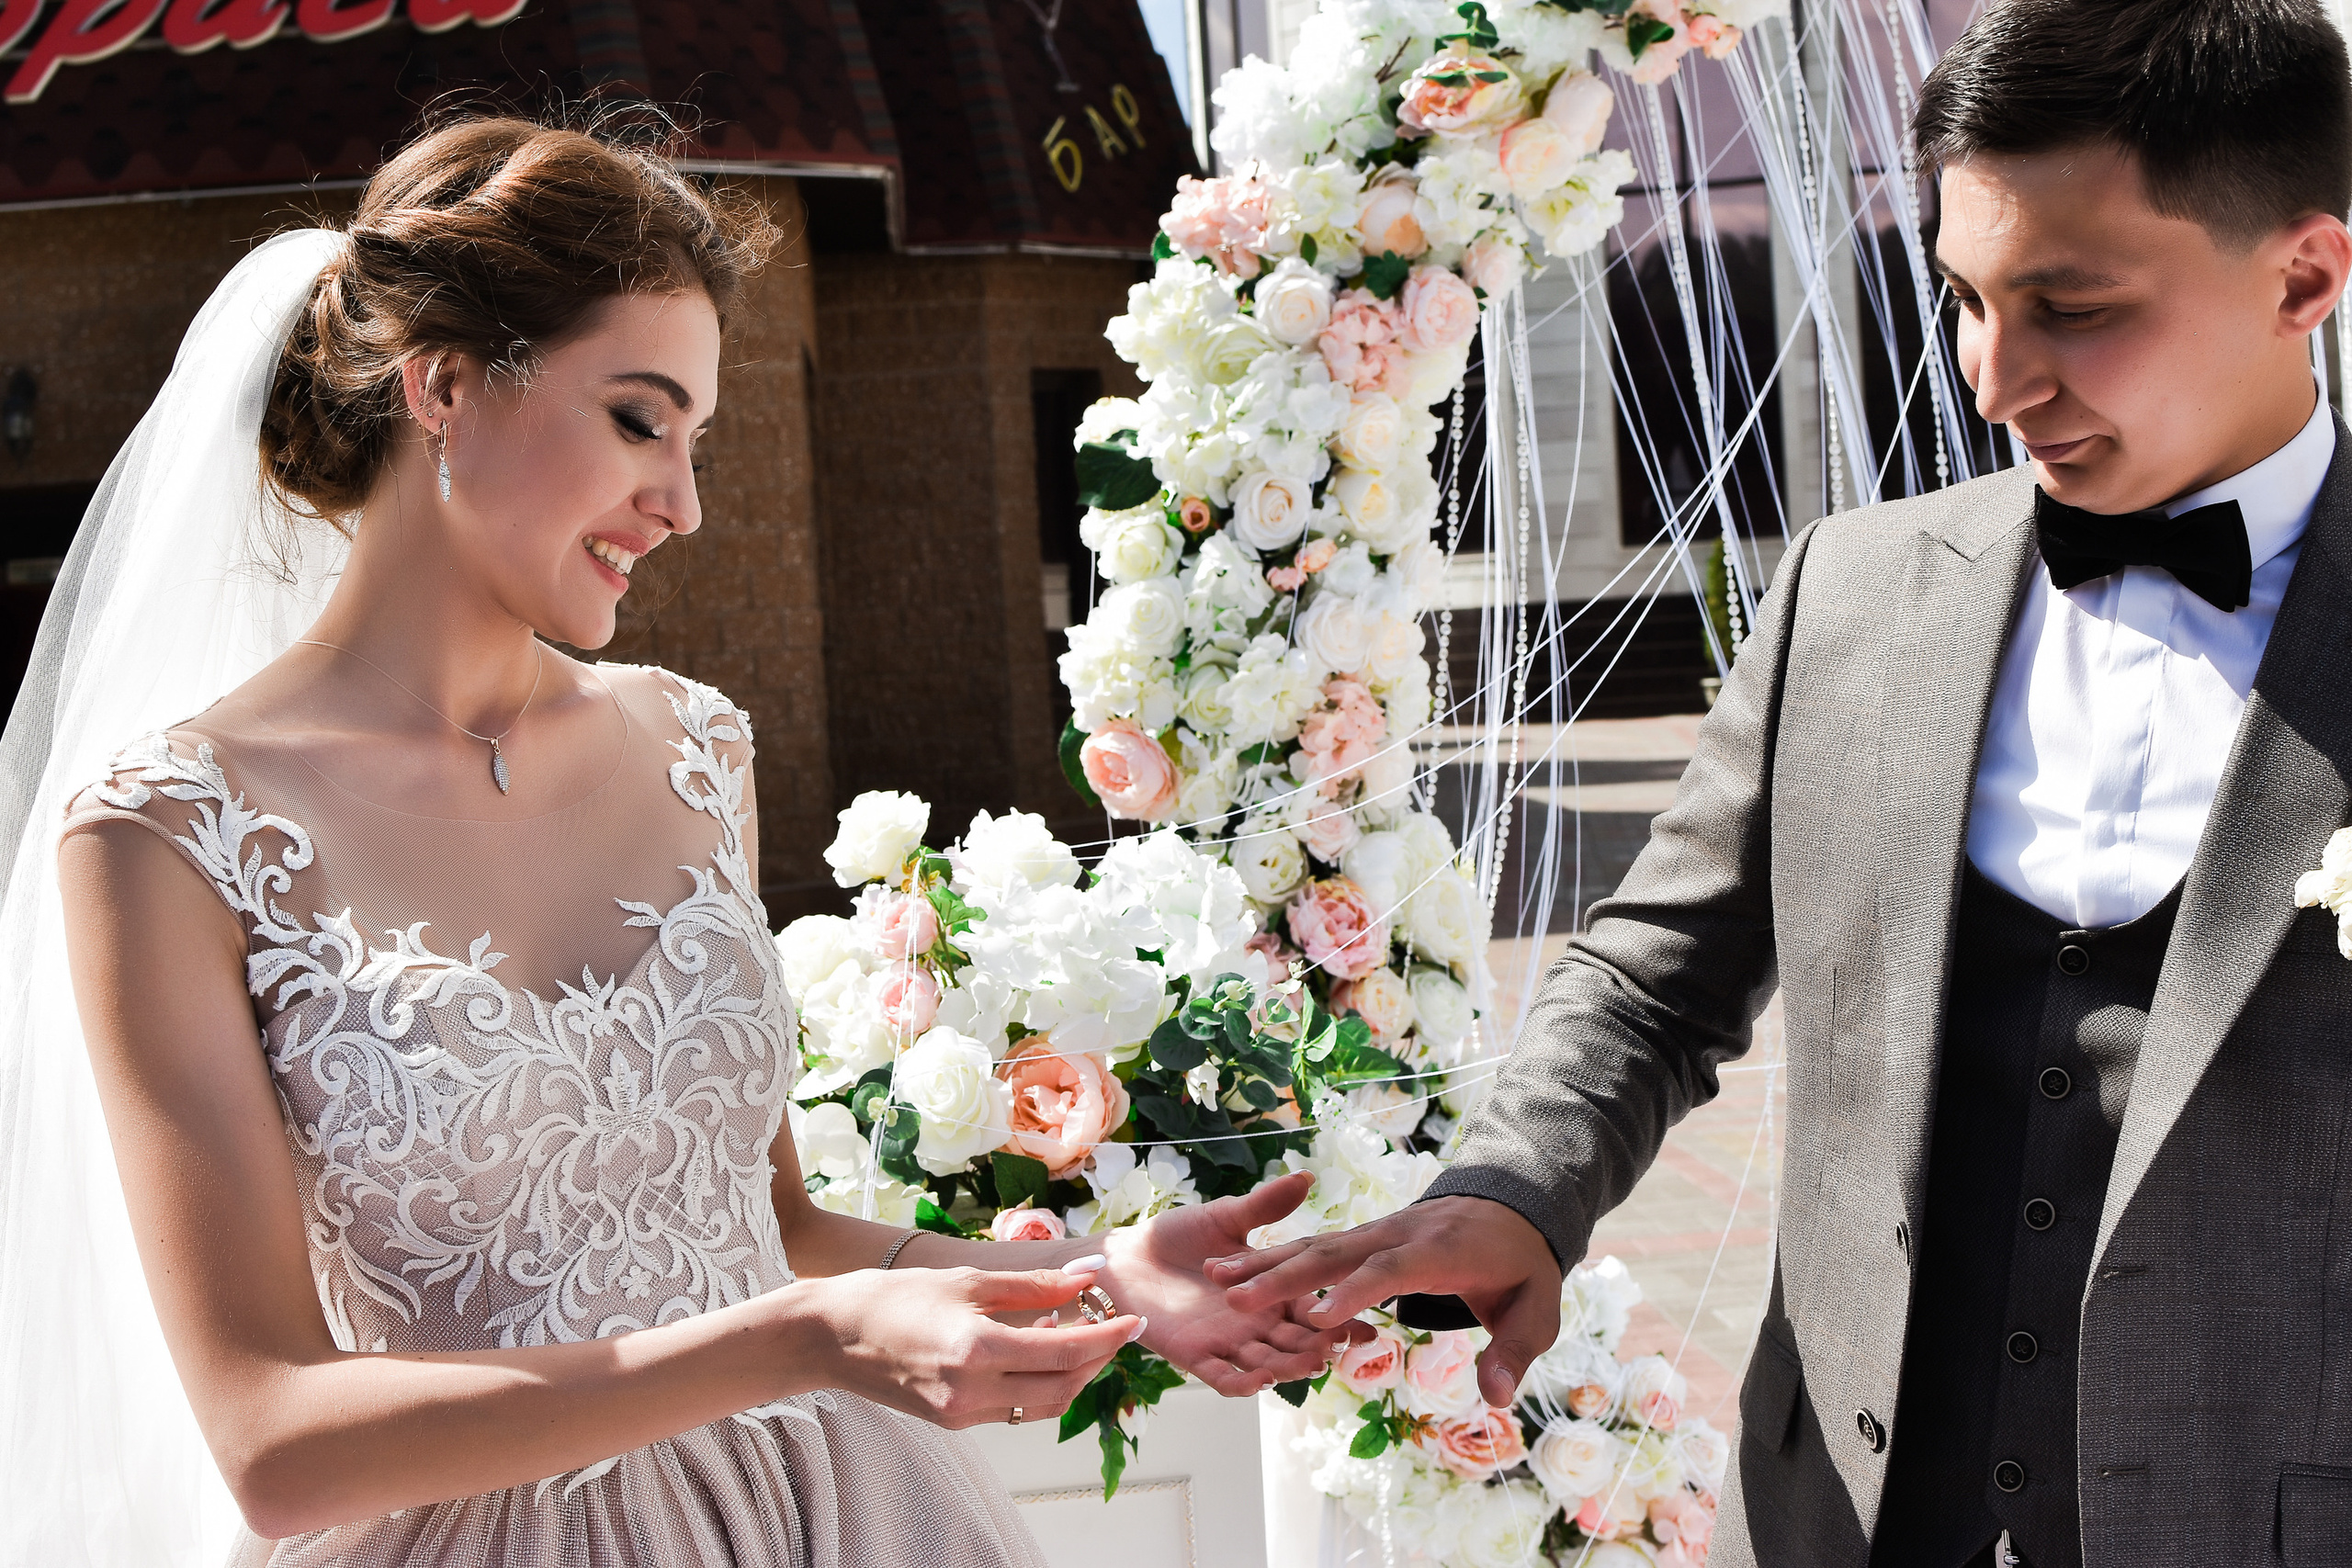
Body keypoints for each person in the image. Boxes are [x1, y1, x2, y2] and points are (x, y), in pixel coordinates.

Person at [7, 114, 1341, 1565]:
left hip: (838, 1518)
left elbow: (770, 1226)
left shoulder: (694, 745)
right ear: (443, 385)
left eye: (699, 440)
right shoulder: (168, 832)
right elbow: (271, 1447)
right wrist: (800, 1342)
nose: (686, 504)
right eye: (640, 420)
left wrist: (1103, 1279)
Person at [1212, 1, 2352, 1562]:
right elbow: (1656, 973)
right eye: (1960, 296)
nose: (1992, 379)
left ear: (2304, 275)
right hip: (1852, 1512)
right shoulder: (1853, 593)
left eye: (2073, 308)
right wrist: (1516, 1190)